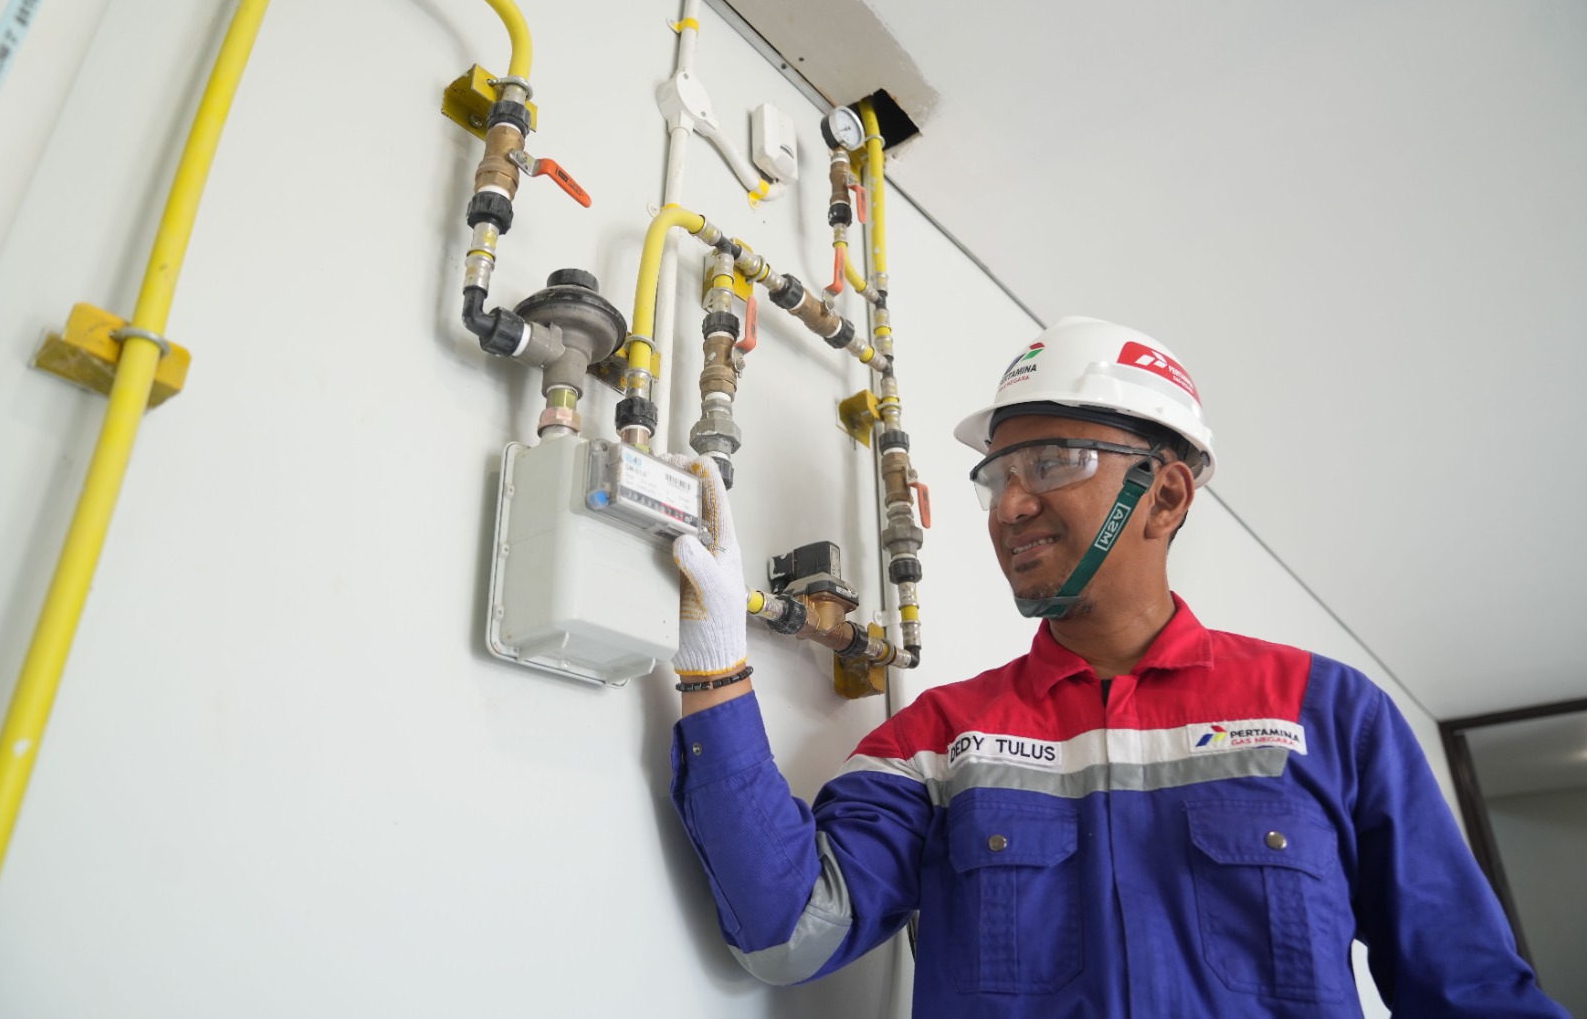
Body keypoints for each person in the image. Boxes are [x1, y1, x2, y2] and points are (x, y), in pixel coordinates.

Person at [664, 316, 1566, 1017]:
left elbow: (1471, 992)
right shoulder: (939, 739)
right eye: (996, 477)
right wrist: (716, 667)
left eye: (1052, 463)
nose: (1010, 506)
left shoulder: (1325, 713)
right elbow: (788, 933)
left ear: (1164, 495)